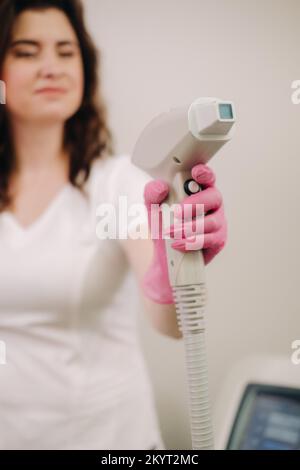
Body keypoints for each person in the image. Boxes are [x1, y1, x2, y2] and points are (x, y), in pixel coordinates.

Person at [0, 0, 227, 450]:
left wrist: (174, 270)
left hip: (106, 440)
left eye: (67, 52)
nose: (51, 66)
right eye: (27, 51)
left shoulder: (115, 184)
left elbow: (170, 324)